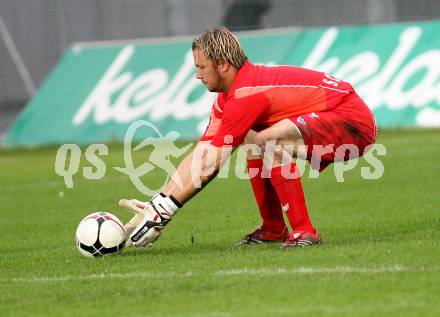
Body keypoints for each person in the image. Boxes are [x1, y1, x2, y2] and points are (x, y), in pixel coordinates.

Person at [119, 26, 377, 248]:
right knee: (254, 138)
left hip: (352, 120)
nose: (197, 75)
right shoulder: (227, 99)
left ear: (223, 65)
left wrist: (167, 212)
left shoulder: (246, 95)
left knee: (269, 140)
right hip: (334, 114)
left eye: (201, 67)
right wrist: (159, 203)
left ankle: (305, 230)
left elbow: (211, 164)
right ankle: (274, 228)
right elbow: (202, 153)